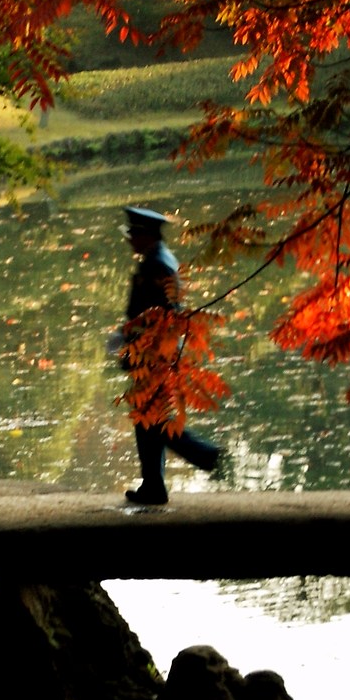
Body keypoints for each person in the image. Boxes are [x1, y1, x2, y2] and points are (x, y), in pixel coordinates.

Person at [117, 206, 221, 506]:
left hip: (153, 357)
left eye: (133, 234)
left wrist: (131, 341)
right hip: (152, 354)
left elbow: (158, 317)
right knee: (147, 419)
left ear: (145, 234)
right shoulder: (158, 259)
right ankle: (153, 485)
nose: (130, 240)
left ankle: (205, 455)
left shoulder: (157, 265)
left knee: (152, 419)